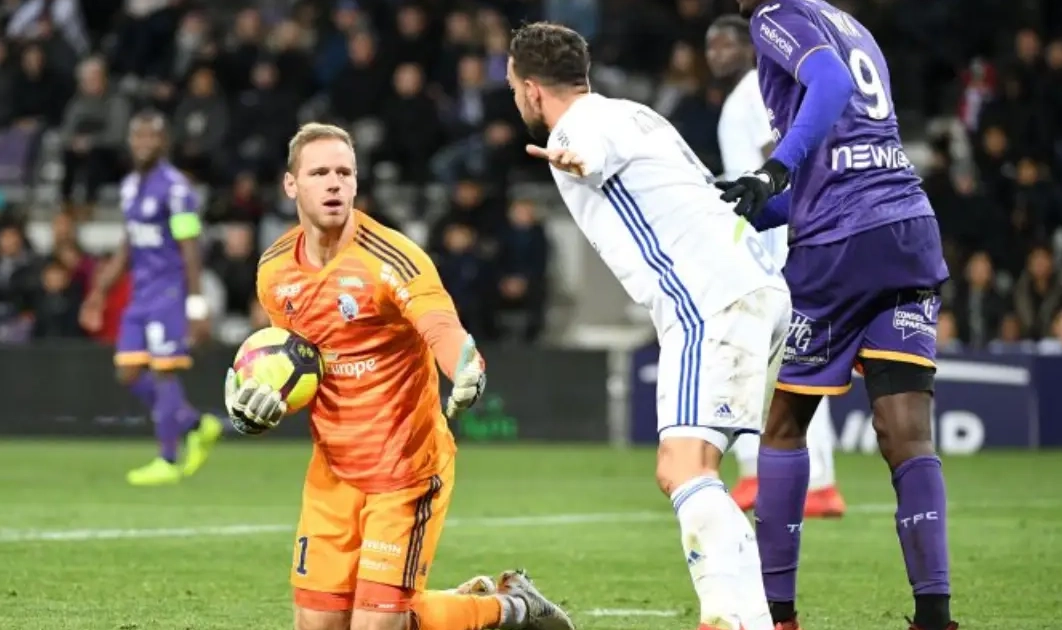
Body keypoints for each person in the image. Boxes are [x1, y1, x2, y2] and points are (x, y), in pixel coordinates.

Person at [222, 122, 574, 630]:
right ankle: (486, 600)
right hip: (333, 472)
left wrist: (465, 366)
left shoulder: (393, 259)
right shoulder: (275, 272)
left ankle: (510, 609)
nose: (334, 183)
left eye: (344, 172)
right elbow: (297, 367)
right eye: (319, 173)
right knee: (321, 626)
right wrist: (259, 406)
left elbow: (442, 327)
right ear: (291, 185)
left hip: (405, 470)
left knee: (376, 626)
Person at [509, 22, 792, 630]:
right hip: (756, 287)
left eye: (514, 90)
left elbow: (589, 154)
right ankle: (748, 617)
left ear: (531, 89)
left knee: (684, 469)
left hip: (707, 303)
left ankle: (731, 618)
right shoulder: (638, 114)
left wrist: (577, 159)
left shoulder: (575, 129)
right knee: (695, 468)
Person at [716, 2, 955, 629]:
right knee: (907, 433)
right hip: (908, 229)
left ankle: (778, 615)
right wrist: (744, 205)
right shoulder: (852, 26)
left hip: (839, 249)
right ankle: (934, 616)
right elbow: (846, 165)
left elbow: (829, 81)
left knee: (781, 424)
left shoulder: (775, 14)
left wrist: (773, 169)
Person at [705, 14, 844, 518]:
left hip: (775, 240)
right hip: (761, 239)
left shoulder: (755, 91)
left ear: (751, 47)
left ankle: (809, 480)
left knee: (784, 360)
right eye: (710, 46)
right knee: (773, 361)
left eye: (726, 44)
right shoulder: (742, 96)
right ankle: (778, 476)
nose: (716, 54)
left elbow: (780, 155)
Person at [80, 111, 222, 486]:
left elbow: (190, 248)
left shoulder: (176, 189)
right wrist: (99, 292)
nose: (143, 142)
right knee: (128, 372)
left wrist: (196, 304)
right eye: (138, 136)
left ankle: (168, 459)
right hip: (140, 294)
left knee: (164, 371)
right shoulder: (129, 187)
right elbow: (128, 244)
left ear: (164, 142)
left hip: (169, 292)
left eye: (151, 136)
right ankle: (195, 424)